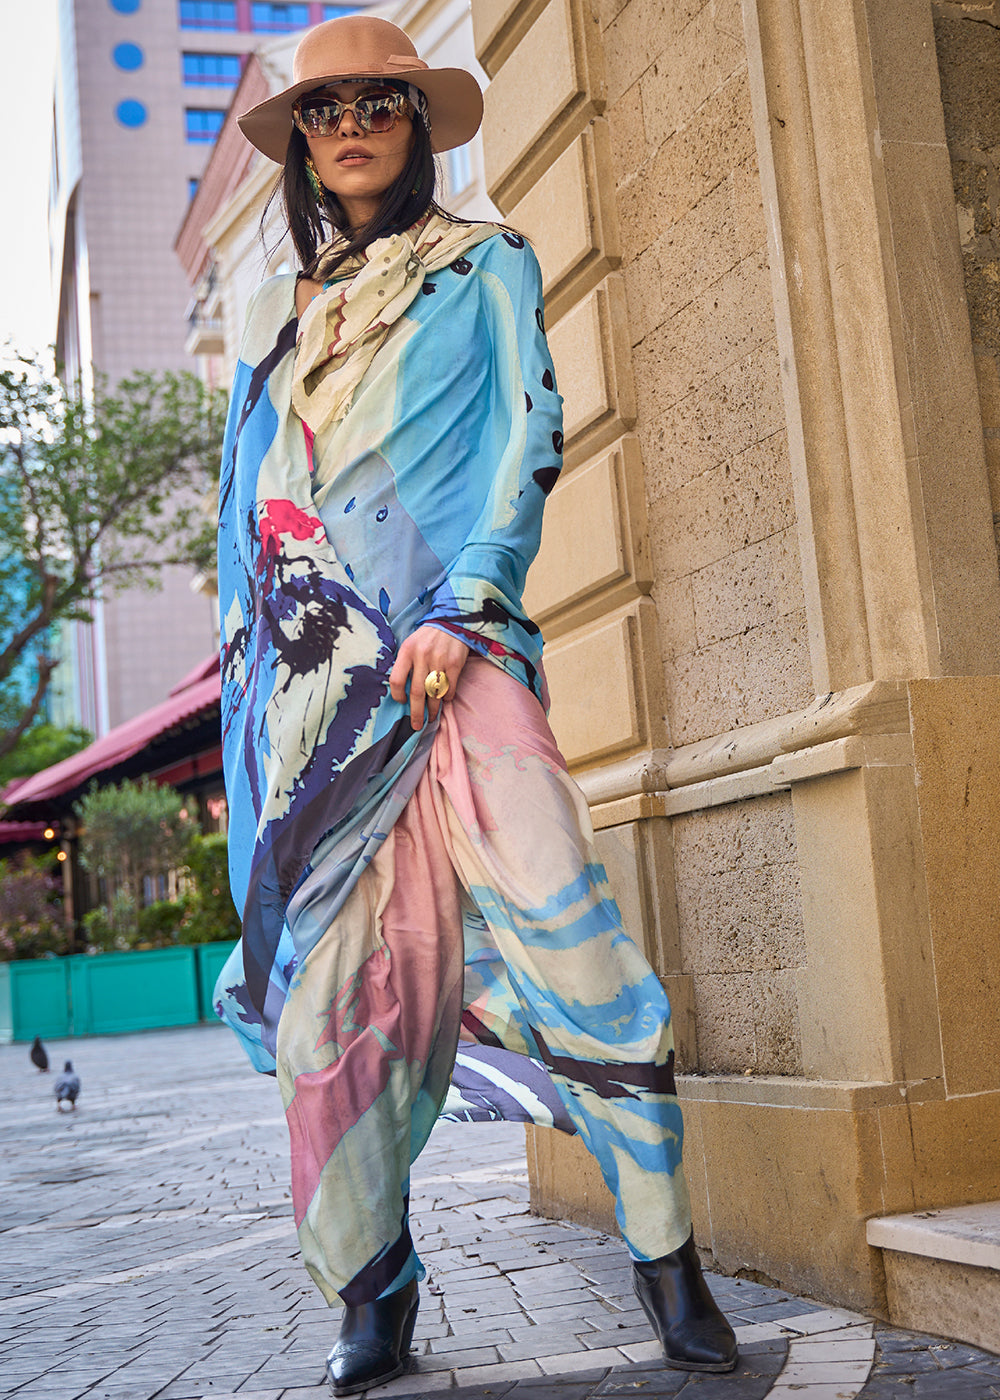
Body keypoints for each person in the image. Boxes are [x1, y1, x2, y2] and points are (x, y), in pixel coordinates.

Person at [214, 15, 738, 1396]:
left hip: (459, 652)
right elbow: (248, 522)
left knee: (574, 937)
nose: (352, 126)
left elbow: (530, 433)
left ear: (417, 124)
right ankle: (374, 1287)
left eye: (378, 103)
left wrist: (467, 602)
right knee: (333, 1008)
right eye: (325, 110)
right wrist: (262, 702)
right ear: (303, 144)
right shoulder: (270, 323)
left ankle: (668, 1262)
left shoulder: (486, 264)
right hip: (313, 698)